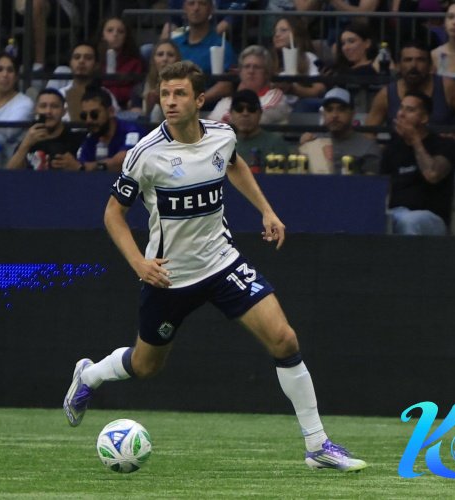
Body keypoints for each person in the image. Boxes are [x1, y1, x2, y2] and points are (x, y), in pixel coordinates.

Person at [62, 60, 368, 473]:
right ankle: (91, 375)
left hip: (222, 264)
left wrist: (266, 211)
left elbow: (234, 164)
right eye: (165, 93)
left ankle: (317, 446)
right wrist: (139, 263)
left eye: (179, 93)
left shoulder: (222, 136)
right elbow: (113, 214)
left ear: (199, 99)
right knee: (146, 365)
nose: (170, 101)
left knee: (284, 340)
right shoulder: (145, 155)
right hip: (169, 278)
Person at [380, 91, 455, 235]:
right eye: (401, 108)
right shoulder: (392, 148)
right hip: (396, 213)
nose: (401, 114)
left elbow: (432, 174)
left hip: (431, 217)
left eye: (410, 110)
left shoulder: (445, 145)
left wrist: (415, 141)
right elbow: (383, 187)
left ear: (424, 118)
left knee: (409, 221)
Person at [366, 39, 455, 133]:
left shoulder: (447, 87)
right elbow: (368, 131)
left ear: (430, 65)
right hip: (400, 151)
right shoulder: (386, 94)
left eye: (420, 60)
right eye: (408, 60)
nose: (413, 65)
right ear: (398, 66)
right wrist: (378, 149)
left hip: (441, 151)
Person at [299, 87, 381, 175]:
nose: (334, 115)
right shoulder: (312, 142)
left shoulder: (367, 147)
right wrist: (303, 148)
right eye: (329, 110)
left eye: (341, 109)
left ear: (352, 113)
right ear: (323, 114)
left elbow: (371, 182)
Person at [172, 0, 236, 107]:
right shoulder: (174, 44)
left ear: (211, 9)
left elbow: (226, 86)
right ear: (184, 9)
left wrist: (196, 102)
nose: (196, 8)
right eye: (191, 3)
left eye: (202, 3)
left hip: (207, 111)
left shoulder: (222, 46)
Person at [208, 45, 291, 124]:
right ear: (240, 73)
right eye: (247, 66)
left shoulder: (276, 96)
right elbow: (209, 126)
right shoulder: (226, 101)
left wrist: (223, 120)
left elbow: (259, 118)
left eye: (257, 67)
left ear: (266, 73)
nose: (251, 71)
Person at [6, 89, 85, 170]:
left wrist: (76, 167)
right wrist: (25, 145)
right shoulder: (29, 140)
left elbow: (89, 174)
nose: (48, 111)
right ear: (36, 110)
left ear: (64, 111)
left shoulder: (77, 140)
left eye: (54, 106)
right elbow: (9, 174)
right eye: (43, 106)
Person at [73, 87, 148, 172]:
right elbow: (82, 165)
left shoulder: (132, 131)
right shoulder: (91, 138)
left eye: (94, 114)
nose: (88, 120)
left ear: (111, 111)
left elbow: (124, 162)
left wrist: (87, 167)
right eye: (84, 116)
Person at [270, 17, 327, 112]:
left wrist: (293, 89)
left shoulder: (308, 57)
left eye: (283, 30)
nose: (277, 35)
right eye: (275, 32)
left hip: (300, 108)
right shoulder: (269, 60)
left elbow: (319, 89)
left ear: (297, 34)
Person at [56, 42, 120, 123]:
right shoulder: (60, 95)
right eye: (77, 57)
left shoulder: (106, 95)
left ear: (96, 65)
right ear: (70, 63)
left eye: (88, 58)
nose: (81, 61)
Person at [0, 52, 34, 157]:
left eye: (10, 70)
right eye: (0, 70)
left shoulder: (25, 103)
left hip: (8, 159)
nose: (5, 75)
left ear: (16, 77)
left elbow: (8, 131)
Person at [229, 89, 292, 168]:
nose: (245, 113)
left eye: (251, 109)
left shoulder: (275, 143)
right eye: (239, 109)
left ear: (260, 113)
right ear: (231, 114)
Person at [329, 21, 380, 113]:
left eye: (351, 41)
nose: (346, 47)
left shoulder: (373, 67)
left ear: (367, 43)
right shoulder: (340, 68)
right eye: (343, 43)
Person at [97, 17, 145, 110]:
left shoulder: (135, 63)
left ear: (125, 36)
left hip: (126, 107)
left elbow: (136, 90)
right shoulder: (95, 60)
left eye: (120, 31)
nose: (115, 34)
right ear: (102, 35)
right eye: (110, 30)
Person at [143, 41, 182, 123]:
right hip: (153, 124)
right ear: (153, 59)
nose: (165, 59)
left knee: (157, 110)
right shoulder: (150, 79)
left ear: (177, 60)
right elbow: (145, 113)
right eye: (160, 54)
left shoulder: (185, 81)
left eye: (170, 55)